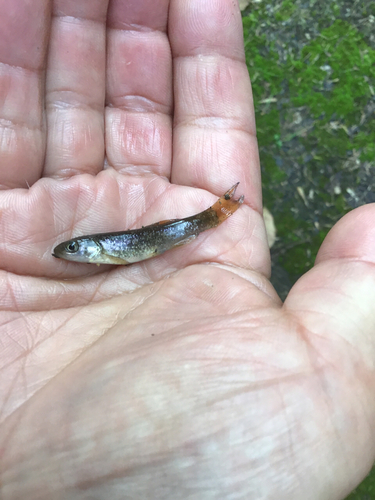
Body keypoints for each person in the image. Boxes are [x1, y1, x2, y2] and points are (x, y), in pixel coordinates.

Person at [0, 1, 374, 498]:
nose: (72, 254)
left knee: (183, 226)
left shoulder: (102, 249)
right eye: (75, 252)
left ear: (88, 250)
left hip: (175, 229)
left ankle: (220, 211)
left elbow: (123, 246)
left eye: (76, 250)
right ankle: (221, 210)